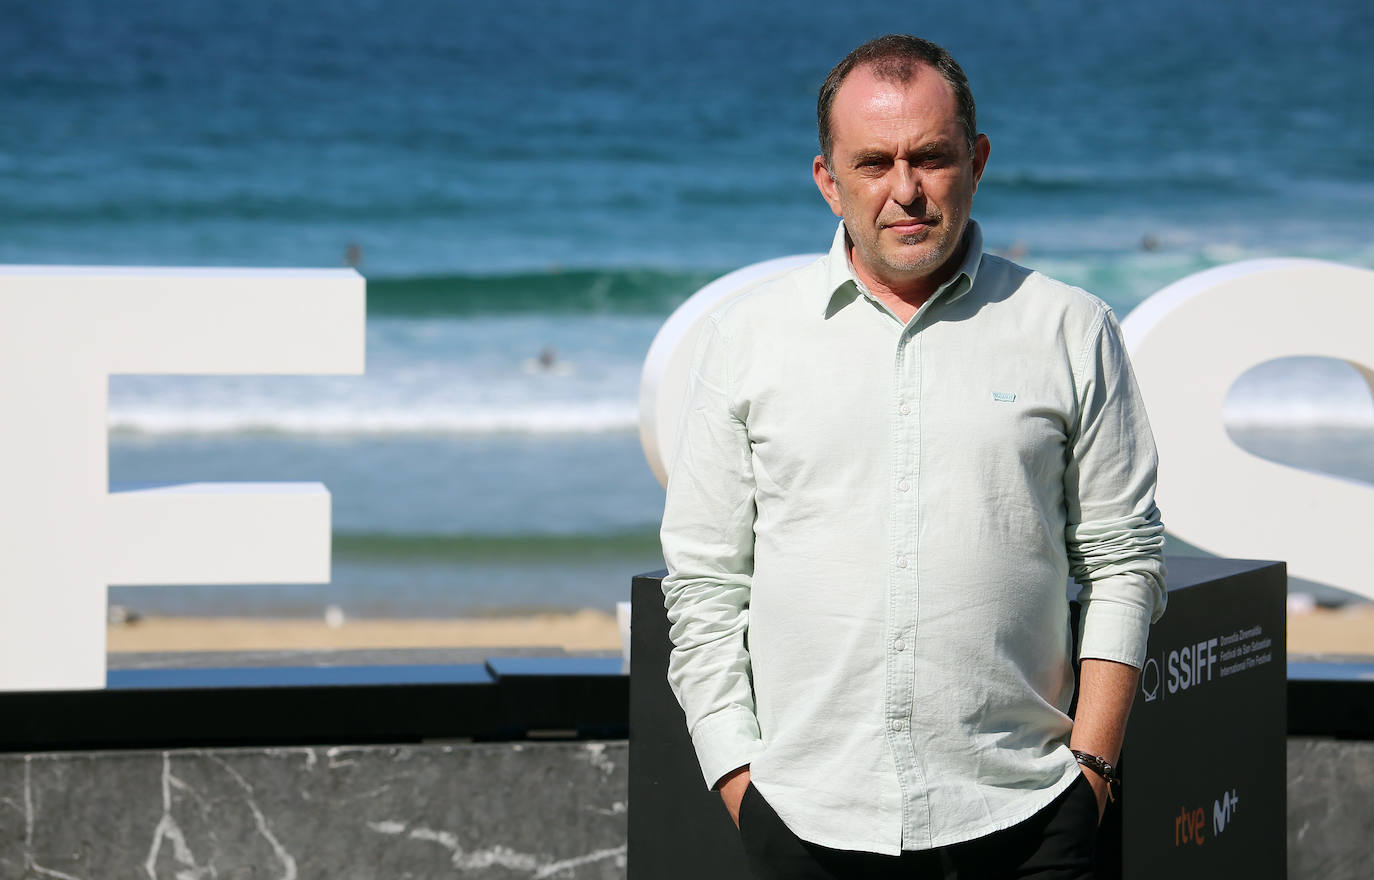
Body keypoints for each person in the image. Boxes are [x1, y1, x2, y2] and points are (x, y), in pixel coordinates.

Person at [659, 34, 1166, 880]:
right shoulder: (747, 338)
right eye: (873, 163)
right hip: (807, 822)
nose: (906, 191)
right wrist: (740, 781)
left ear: (977, 160)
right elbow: (706, 583)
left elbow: (1124, 560)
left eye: (930, 158)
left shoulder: (1071, 329)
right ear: (828, 181)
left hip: (1032, 814)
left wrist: (1094, 776)